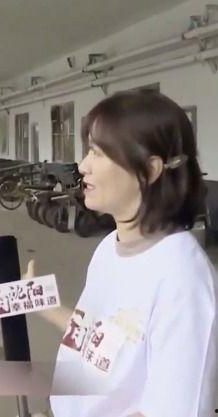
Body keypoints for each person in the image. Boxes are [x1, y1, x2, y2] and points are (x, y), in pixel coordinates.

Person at [50, 91, 217, 417]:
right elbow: (100, 337)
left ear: (150, 169)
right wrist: (42, 304)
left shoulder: (184, 282)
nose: (83, 166)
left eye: (98, 153)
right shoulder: (108, 248)